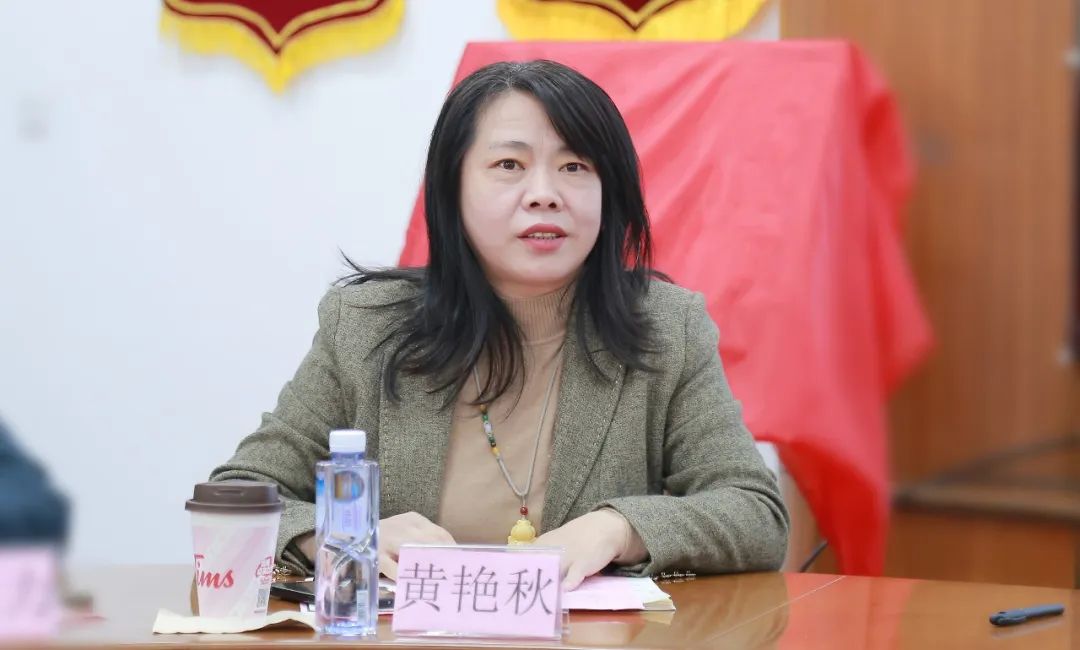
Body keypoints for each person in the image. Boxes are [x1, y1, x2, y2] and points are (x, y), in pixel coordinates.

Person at [211, 60, 789, 590]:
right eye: (509, 165)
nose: (544, 195)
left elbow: (755, 512)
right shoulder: (366, 327)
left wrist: (619, 528)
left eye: (574, 166)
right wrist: (342, 535)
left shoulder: (666, 329)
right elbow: (231, 499)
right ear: (453, 188)